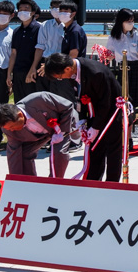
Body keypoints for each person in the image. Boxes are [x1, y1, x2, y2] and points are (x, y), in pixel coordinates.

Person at [43, 51, 125, 180]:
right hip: (94, 111)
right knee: (94, 148)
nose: (62, 79)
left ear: (68, 68)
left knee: (112, 150)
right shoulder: (73, 72)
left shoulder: (96, 73)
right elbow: (80, 97)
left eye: (60, 76)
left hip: (112, 112)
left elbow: (105, 103)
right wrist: (82, 119)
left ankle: (112, 184)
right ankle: (93, 182)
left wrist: (96, 127)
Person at [0, 92, 80, 178]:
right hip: (40, 135)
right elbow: (14, 154)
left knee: (59, 152)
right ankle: (30, 183)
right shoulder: (8, 130)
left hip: (64, 123)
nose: (11, 130)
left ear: (19, 115)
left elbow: (68, 107)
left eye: (12, 126)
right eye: (8, 128)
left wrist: (62, 132)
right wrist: (15, 180)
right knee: (26, 153)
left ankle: (55, 182)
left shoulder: (40, 100)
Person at [104, 8, 138, 145]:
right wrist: (106, 55)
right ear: (121, 21)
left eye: (132, 20)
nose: (130, 23)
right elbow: (111, 54)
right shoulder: (114, 36)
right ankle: (128, 138)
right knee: (126, 107)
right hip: (123, 70)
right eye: (127, 21)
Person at [35, 0, 84, 99]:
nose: (61, 14)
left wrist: (53, 67)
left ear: (73, 13)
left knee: (65, 101)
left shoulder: (74, 31)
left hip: (66, 71)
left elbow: (73, 54)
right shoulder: (66, 29)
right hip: (58, 69)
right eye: (60, 11)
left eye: (65, 12)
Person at [8, 0, 44, 102]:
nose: (23, 11)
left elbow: (40, 50)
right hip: (18, 72)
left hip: (32, 72)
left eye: (26, 9)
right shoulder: (16, 31)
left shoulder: (39, 28)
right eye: (20, 9)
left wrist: (33, 69)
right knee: (19, 103)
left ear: (33, 12)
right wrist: (9, 74)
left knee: (33, 103)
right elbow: (13, 53)